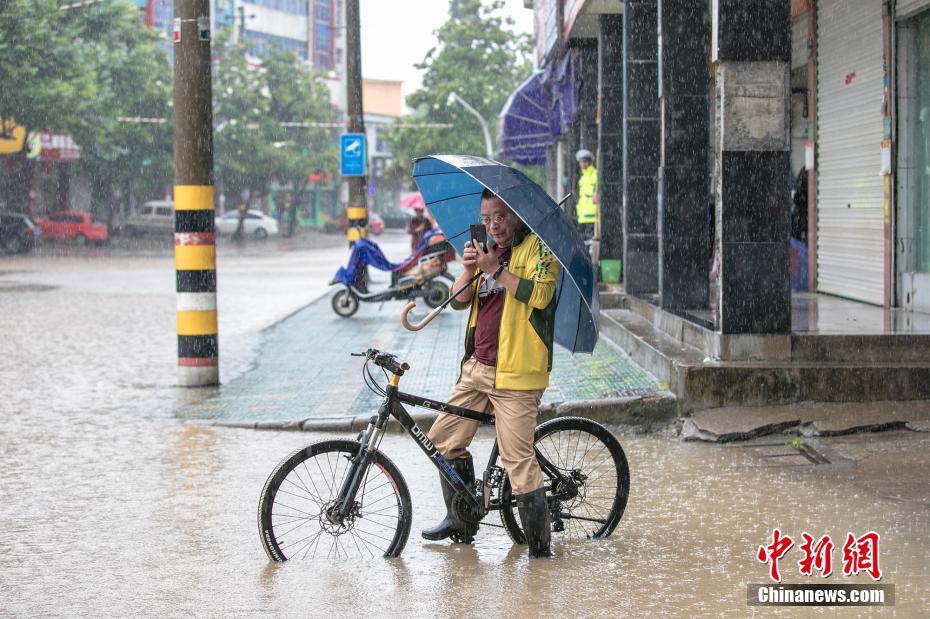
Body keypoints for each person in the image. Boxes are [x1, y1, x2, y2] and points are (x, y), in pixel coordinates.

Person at [422, 188, 560, 559]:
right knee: (443, 442)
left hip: (517, 376)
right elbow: (459, 302)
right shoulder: (485, 253)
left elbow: (542, 295)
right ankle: (462, 521)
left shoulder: (540, 248)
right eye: (485, 219)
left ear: (516, 215)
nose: (493, 226)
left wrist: (496, 270)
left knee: (518, 462)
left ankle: (540, 553)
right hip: (477, 368)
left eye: (500, 217)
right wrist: (469, 269)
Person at [575, 149, 598, 240]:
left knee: (590, 238)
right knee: (583, 238)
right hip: (582, 214)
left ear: (589, 162)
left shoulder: (596, 174)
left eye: (584, 162)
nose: (582, 164)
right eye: (580, 162)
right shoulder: (582, 177)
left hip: (592, 214)